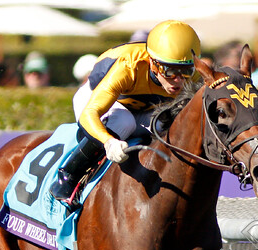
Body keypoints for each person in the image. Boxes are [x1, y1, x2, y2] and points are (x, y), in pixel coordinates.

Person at [49, 19, 200, 202]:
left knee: (167, 124)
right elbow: (90, 113)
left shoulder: (195, 74)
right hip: (96, 100)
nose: (178, 80)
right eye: (169, 71)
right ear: (153, 63)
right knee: (123, 121)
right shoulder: (129, 66)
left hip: (142, 108)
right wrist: (108, 141)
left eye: (186, 71)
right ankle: (68, 175)